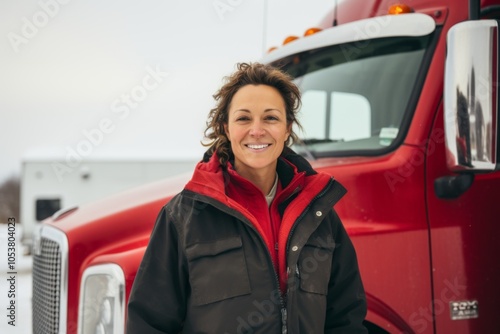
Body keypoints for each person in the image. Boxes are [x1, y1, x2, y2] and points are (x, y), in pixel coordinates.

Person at [126, 62, 367, 333]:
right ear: (226, 128)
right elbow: (149, 323)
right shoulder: (182, 217)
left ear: (287, 129)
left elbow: (346, 317)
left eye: (271, 118)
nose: (257, 130)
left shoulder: (319, 214)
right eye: (243, 118)